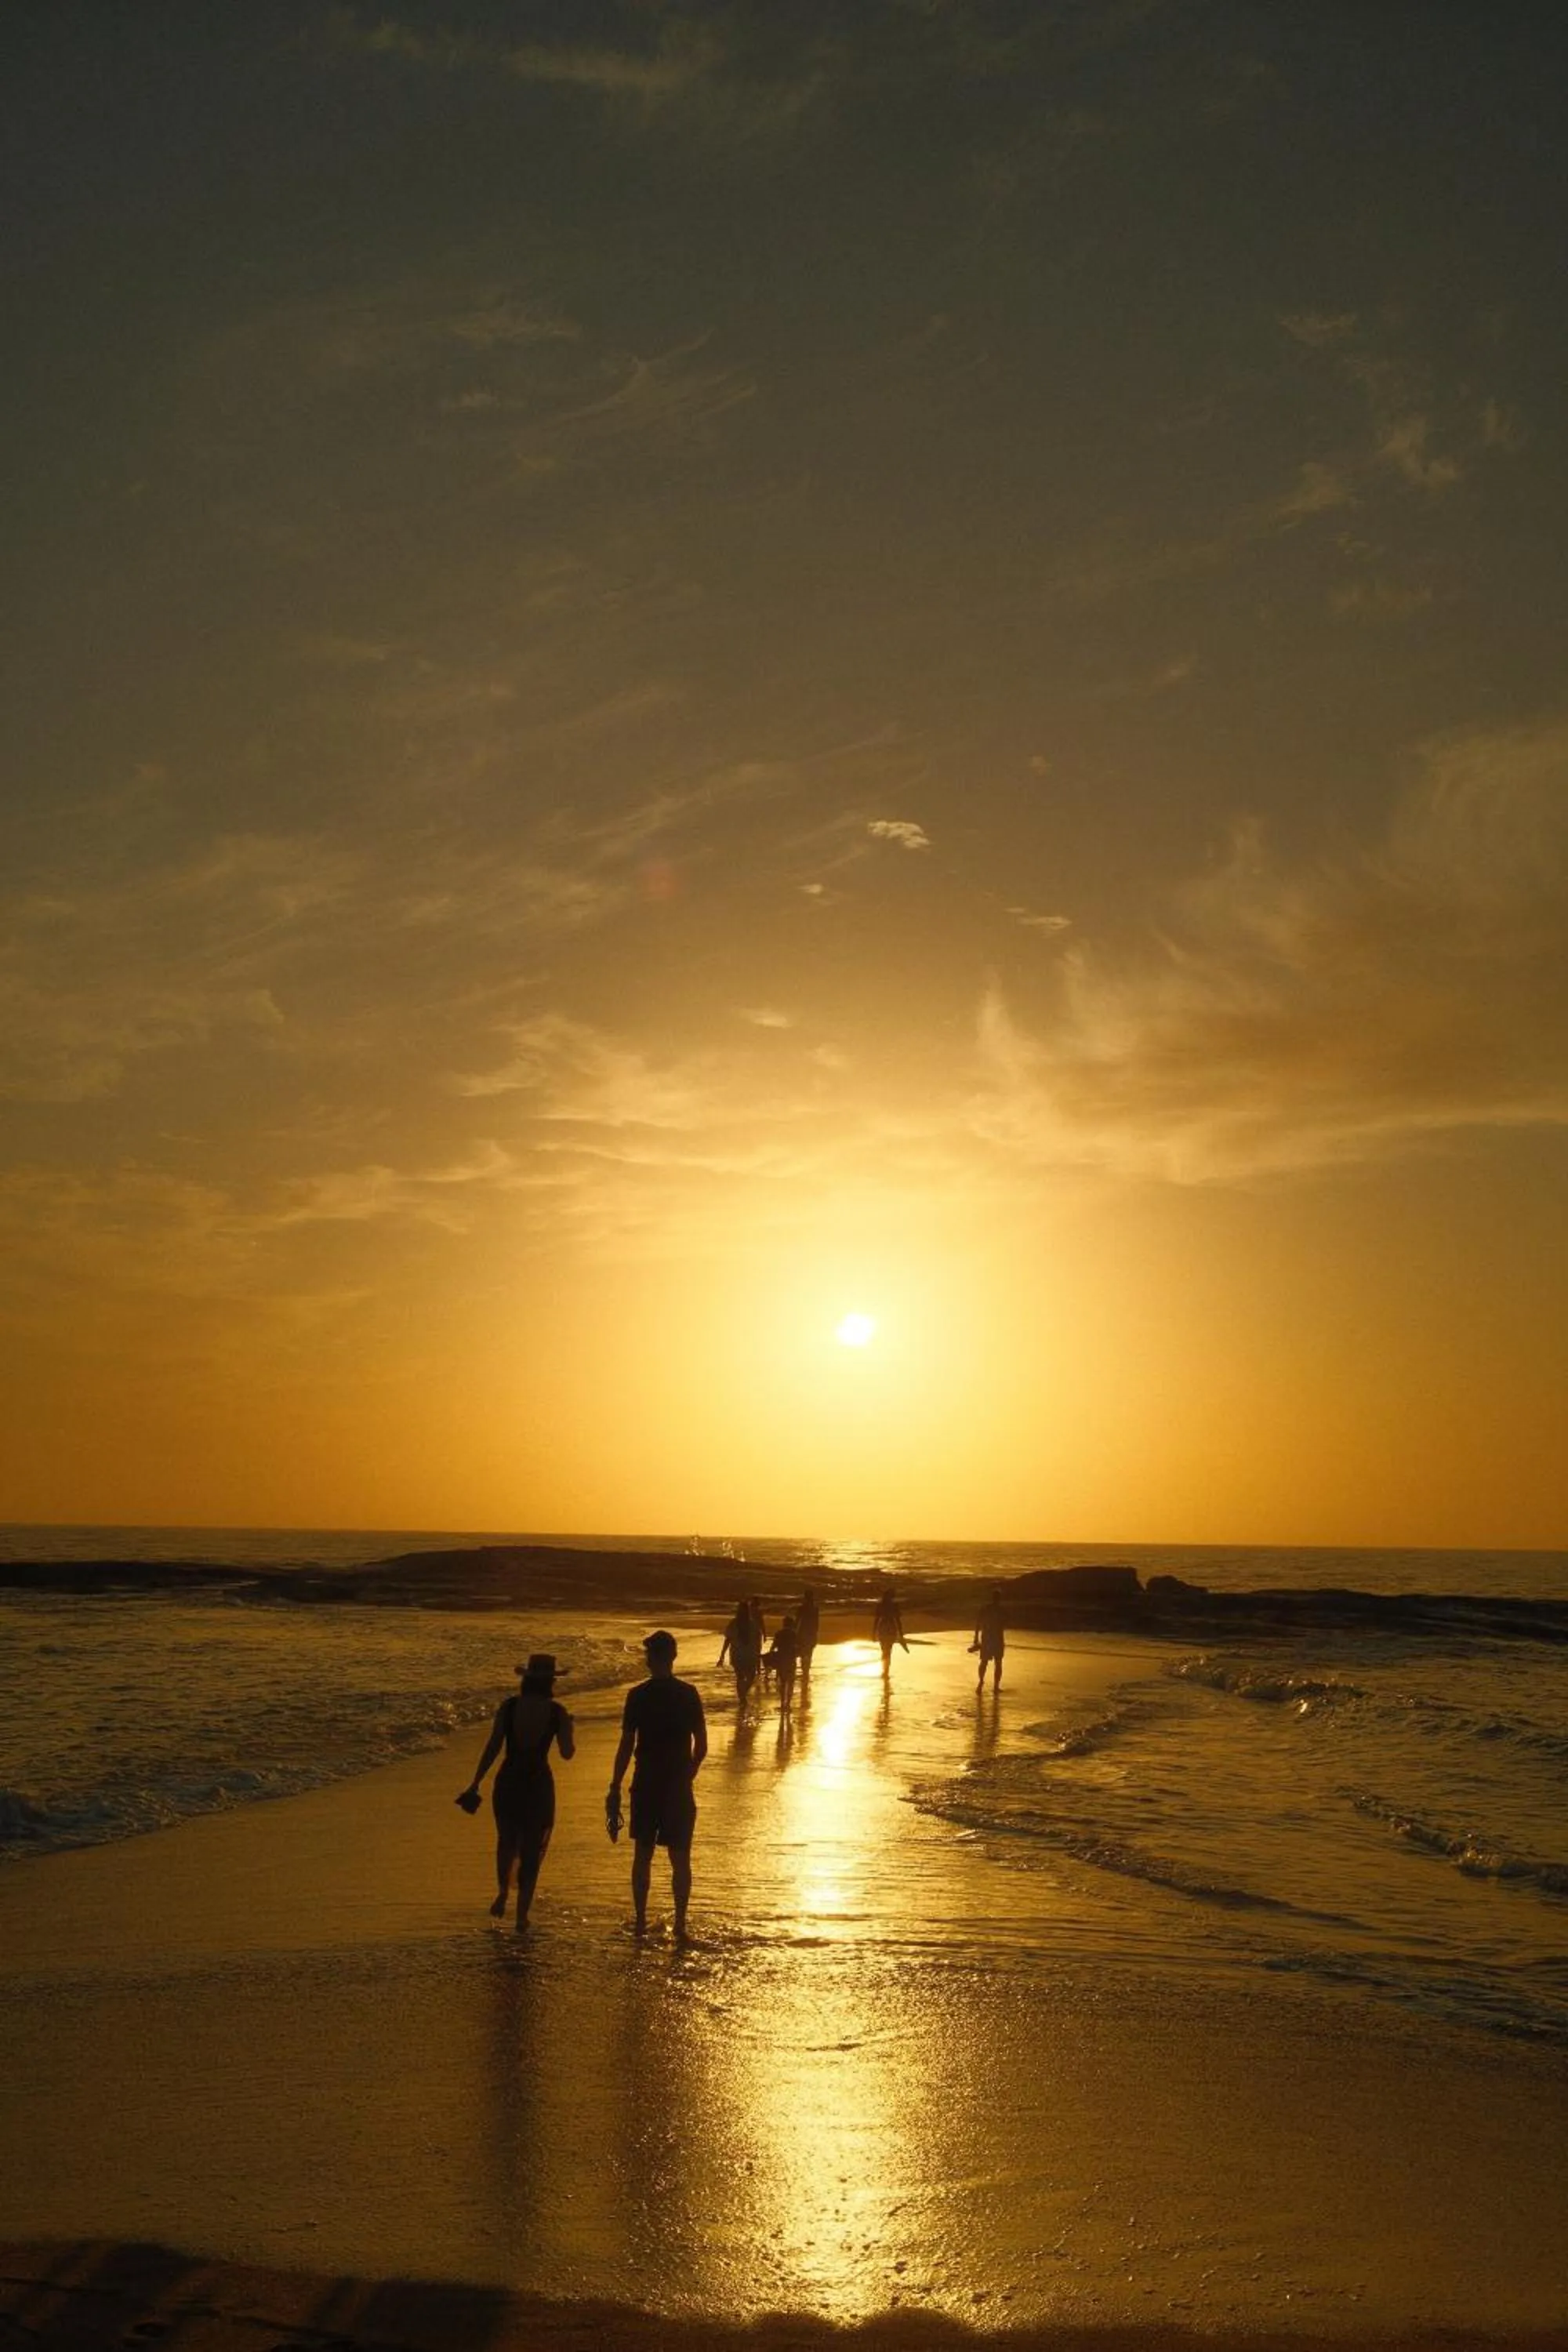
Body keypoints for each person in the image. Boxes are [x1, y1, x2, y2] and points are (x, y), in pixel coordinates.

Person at [459, 1653, 575, 1932]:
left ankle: (502, 1892)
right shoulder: (557, 1712)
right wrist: (570, 1727)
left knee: (507, 1841)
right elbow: (567, 1754)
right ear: (551, 1682)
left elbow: (493, 1746)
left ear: (525, 1679)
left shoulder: (509, 1708)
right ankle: (522, 1915)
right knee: (532, 1850)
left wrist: (476, 1782)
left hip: (508, 1781)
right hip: (538, 1785)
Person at [608, 1630, 708, 1941]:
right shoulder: (689, 1694)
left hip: (646, 1782)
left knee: (643, 1854)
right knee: (680, 1857)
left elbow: (627, 1745)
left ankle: (640, 1922)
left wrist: (614, 1785)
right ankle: (680, 1924)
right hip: (677, 1785)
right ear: (674, 1656)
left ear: (650, 1659)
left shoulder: (637, 1696)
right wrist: (687, 1774)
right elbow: (701, 1745)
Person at [717, 1596, 760, 1706]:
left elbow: (728, 1640)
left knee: (743, 1677)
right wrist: (758, 1654)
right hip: (747, 1655)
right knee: (748, 1677)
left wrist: (722, 1656)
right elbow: (757, 1640)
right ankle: (742, 1697)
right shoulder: (750, 1624)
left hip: (739, 1655)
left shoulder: (739, 1624)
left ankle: (742, 1696)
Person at [764, 1613, 800, 1711]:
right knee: (791, 1683)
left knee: (783, 1683)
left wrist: (770, 1656)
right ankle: (788, 1704)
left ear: (784, 1624)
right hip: (791, 1661)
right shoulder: (794, 1634)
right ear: (791, 1624)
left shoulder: (779, 1633)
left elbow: (773, 1647)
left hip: (781, 1660)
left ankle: (782, 1703)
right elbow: (799, 1648)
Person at [973, 1584, 1006, 1691]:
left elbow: (978, 1623)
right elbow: (1004, 1624)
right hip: (996, 1639)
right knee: (997, 1662)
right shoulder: (1001, 1611)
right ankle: (995, 1686)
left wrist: (976, 1637)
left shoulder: (986, 1609)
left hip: (988, 1638)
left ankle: (982, 1682)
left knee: (985, 1662)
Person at [872, 1586, 907, 1681]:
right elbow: (898, 1620)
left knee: (884, 1650)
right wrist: (901, 1634)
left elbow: (877, 1619)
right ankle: (886, 1670)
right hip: (891, 1627)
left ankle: (884, 1670)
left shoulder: (880, 1605)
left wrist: (873, 1632)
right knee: (889, 1651)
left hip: (883, 1627)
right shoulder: (895, 1606)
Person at [797, 1588, 820, 1680]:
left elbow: (797, 1621)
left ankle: (804, 1671)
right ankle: (806, 1672)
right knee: (809, 1653)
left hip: (802, 1633)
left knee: (803, 1653)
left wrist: (794, 1632)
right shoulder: (815, 1609)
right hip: (811, 1633)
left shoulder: (801, 1608)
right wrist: (815, 1634)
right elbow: (817, 1624)